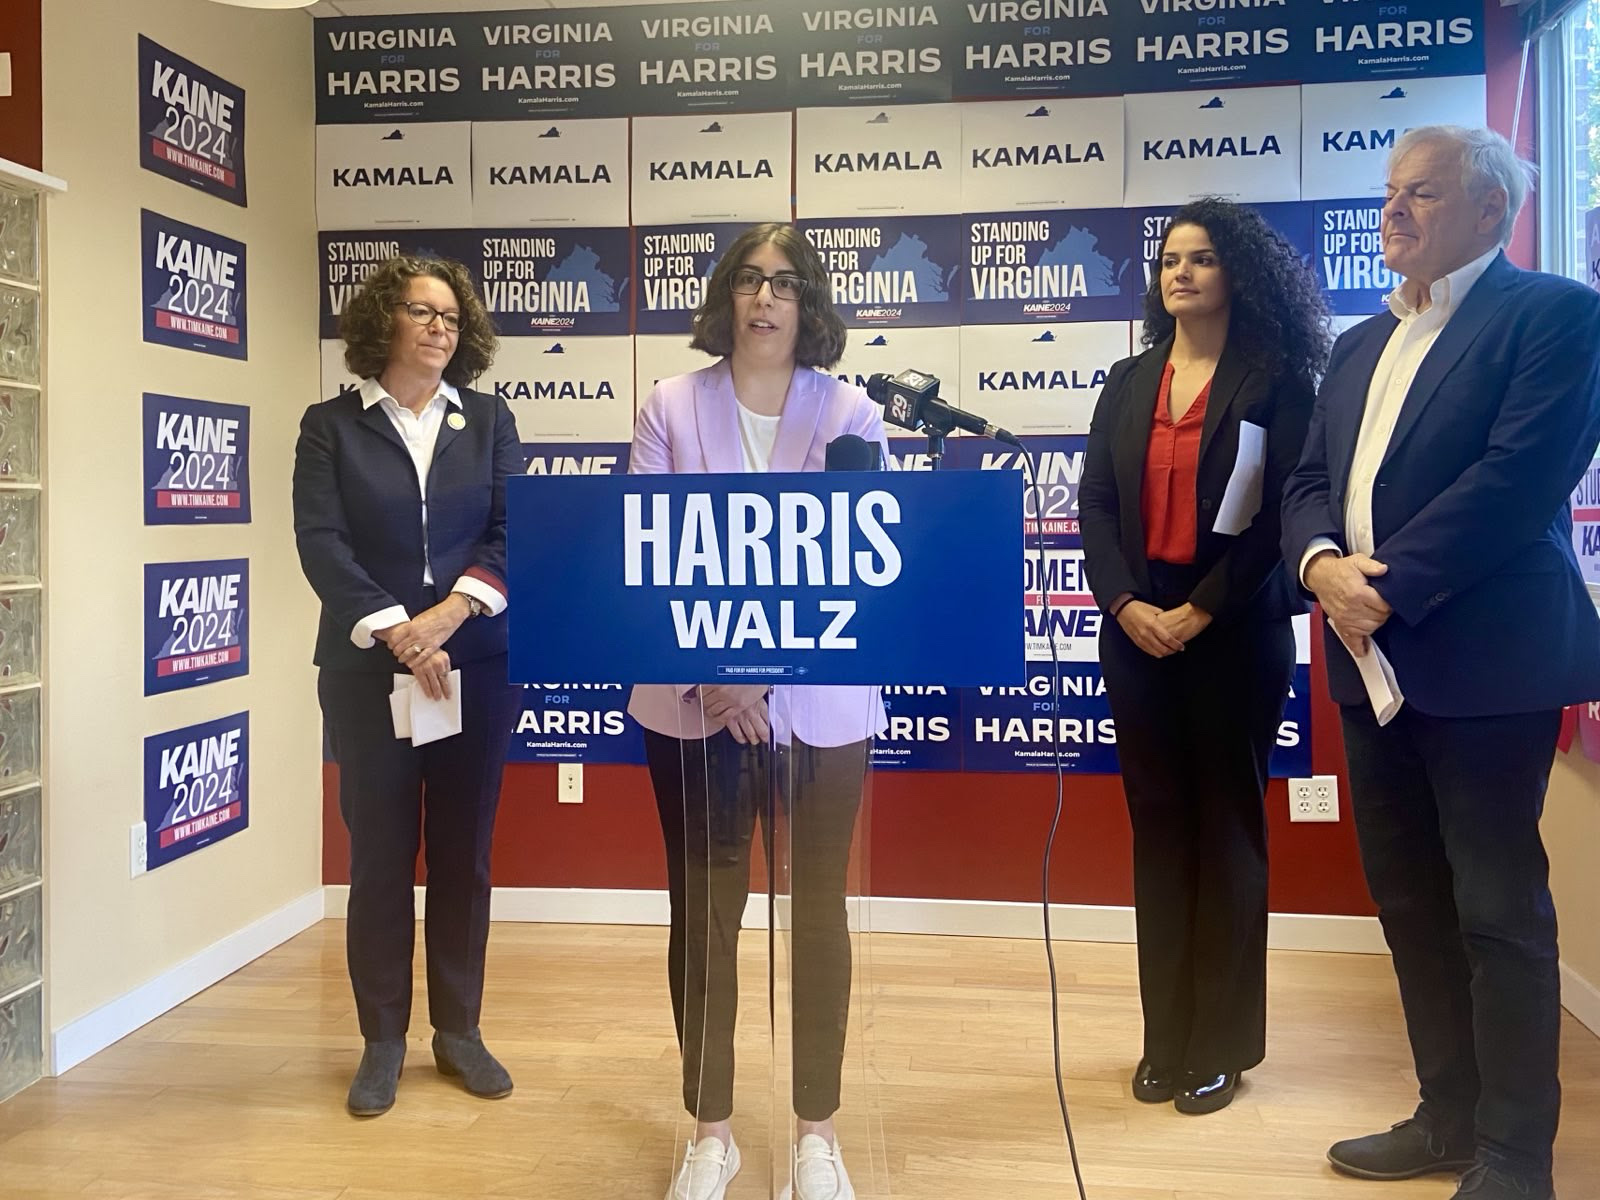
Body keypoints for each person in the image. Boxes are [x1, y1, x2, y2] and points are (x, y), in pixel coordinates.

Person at [1281, 126, 1600, 1200]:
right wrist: (1321, 565)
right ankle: (1446, 1119)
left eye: (1421, 193)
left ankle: (1516, 1156)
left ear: (1488, 212)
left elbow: (1518, 482)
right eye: (1389, 193)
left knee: (1496, 912)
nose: (1393, 211)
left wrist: (1381, 587)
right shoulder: (1359, 344)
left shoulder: (1554, 316)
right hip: (1365, 669)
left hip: (1483, 666)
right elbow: (1307, 483)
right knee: (1410, 903)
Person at [627, 222, 887, 1200]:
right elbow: (643, 554)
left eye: (783, 282)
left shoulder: (852, 408)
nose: (764, 298)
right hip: (692, 708)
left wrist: (764, 671)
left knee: (818, 915)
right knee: (704, 918)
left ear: (806, 301)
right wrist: (716, 674)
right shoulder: (669, 404)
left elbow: (861, 561)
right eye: (748, 280)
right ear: (726, 297)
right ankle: (712, 1133)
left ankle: (816, 1134)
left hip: (818, 708)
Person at [1080, 198, 1330, 1115]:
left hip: (1233, 635)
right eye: (1170, 260)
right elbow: (1096, 510)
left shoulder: (1276, 382)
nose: (1180, 273)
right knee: (1159, 834)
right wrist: (1128, 605)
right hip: (1137, 635)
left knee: (1226, 830)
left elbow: (1280, 520)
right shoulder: (1126, 379)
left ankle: (1220, 1046)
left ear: (1240, 274)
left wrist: (1198, 610)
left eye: (1202, 259)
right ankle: (1164, 1041)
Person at [293, 255, 524, 1117]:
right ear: (382, 320)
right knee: (380, 857)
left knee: (464, 853)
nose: (440, 327)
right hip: (366, 673)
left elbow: (510, 533)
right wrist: (398, 629)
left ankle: (458, 1032)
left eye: (453, 318)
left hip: (477, 665)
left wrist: (448, 620)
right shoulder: (330, 427)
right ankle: (382, 1040)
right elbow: (321, 541)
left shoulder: (491, 421)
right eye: (422, 312)